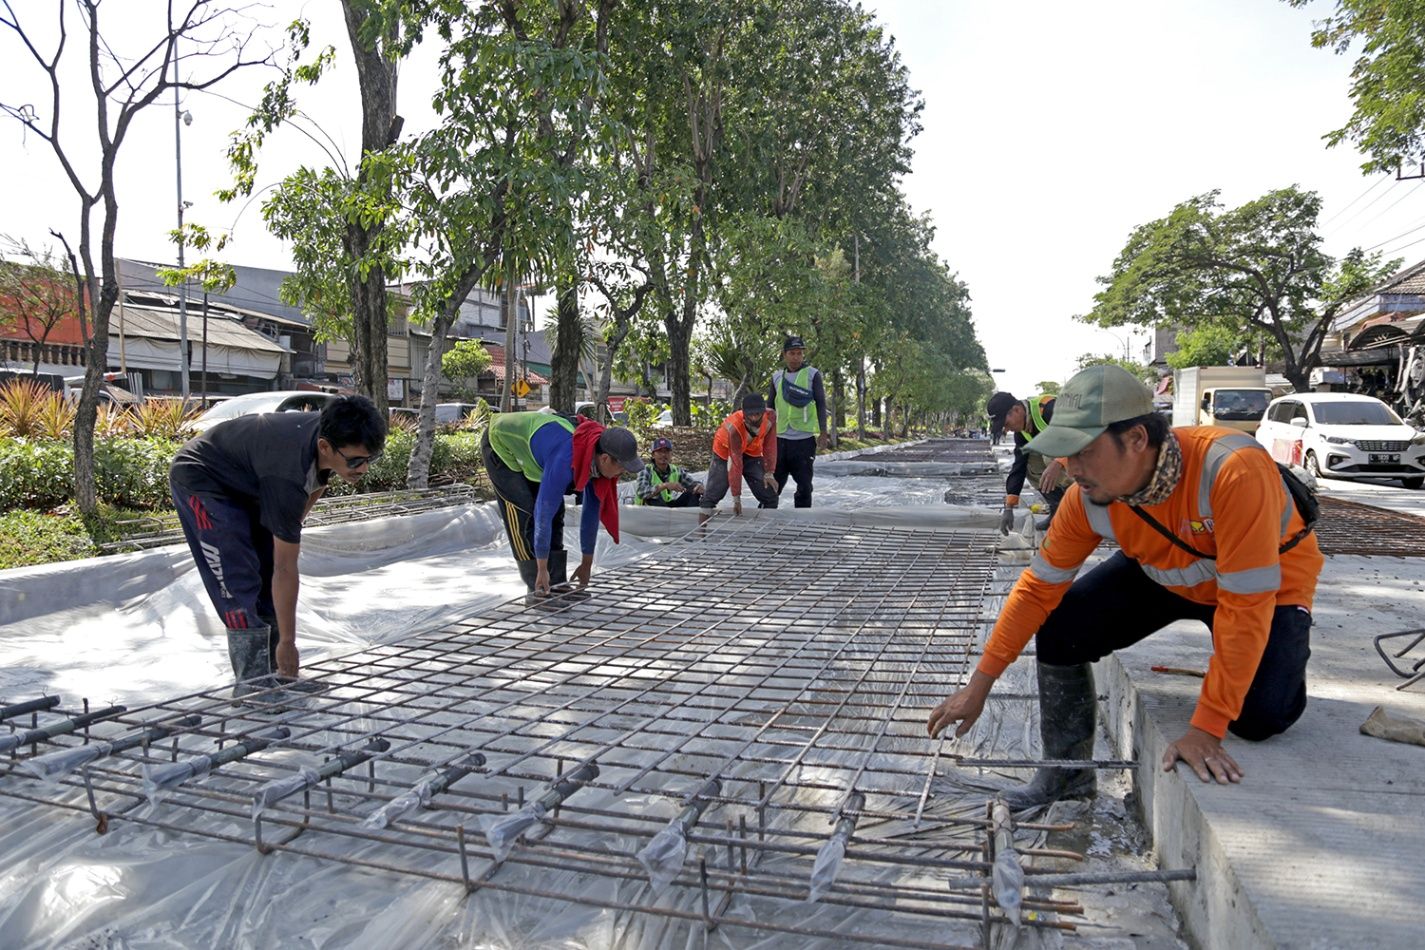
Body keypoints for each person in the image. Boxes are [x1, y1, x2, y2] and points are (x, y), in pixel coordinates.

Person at [929, 365, 1322, 808]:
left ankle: (1285, 653)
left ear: (1136, 439)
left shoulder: (1232, 471)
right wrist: (979, 686)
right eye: (1066, 455)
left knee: (1259, 718)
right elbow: (1037, 591)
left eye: (1083, 452)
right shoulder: (1087, 497)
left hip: (1265, 588)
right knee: (1062, 625)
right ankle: (1067, 778)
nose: (1072, 469)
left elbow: (1245, 605)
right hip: (1166, 575)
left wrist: (1205, 729)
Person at [169, 394, 388, 699]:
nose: (363, 469)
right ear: (325, 447)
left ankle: (278, 675)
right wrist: (288, 642)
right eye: (355, 461)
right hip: (204, 479)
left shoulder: (329, 435)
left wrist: (285, 528)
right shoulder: (287, 473)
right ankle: (253, 686)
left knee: (267, 565)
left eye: (370, 459)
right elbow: (287, 568)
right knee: (237, 577)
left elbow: (310, 493)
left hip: (249, 481)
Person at [482, 410, 643, 596]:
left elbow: (591, 514)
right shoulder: (565, 459)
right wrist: (541, 568)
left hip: (539, 450)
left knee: (557, 510)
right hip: (501, 443)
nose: (622, 473)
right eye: (622, 467)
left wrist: (586, 564)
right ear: (605, 459)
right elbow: (543, 514)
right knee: (526, 514)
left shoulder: (597, 458)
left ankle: (556, 581)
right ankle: (537, 585)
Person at [986, 390, 1075, 534]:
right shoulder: (1021, 432)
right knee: (1030, 466)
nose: (1007, 429)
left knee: (1049, 457)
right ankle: (1057, 510)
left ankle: (1082, 505)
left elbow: (1079, 434)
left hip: (1091, 457)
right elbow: (1019, 467)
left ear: (1016, 410)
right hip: (1066, 458)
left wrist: (1058, 462)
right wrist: (1009, 507)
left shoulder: (1049, 409)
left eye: (1006, 423)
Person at [768, 335, 829, 508]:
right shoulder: (776, 377)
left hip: (803, 441)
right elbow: (769, 407)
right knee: (773, 484)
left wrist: (823, 433)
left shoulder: (813, 375)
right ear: (784, 355)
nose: (796, 357)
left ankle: (802, 521)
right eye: (792, 353)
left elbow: (821, 403)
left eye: (799, 354)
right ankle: (766, 516)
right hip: (780, 441)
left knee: (804, 486)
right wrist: (764, 434)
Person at [699, 393, 780, 523]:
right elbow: (735, 465)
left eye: (757, 414)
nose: (754, 418)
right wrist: (736, 498)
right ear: (744, 414)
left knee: (769, 495)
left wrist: (769, 472)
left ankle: (765, 530)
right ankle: (701, 532)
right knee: (714, 493)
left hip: (751, 452)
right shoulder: (734, 430)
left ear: (763, 412)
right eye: (750, 415)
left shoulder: (771, 417)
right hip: (725, 453)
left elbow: (770, 445)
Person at [634, 436, 704, 507]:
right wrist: (664, 486)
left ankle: (690, 517)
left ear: (671, 454)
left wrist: (698, 486)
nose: (663, 455)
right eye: (659, 451)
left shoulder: (675, 470)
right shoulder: (646, 470)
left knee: (693, 493)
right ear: (653, 455)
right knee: (654, 498)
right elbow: (641, 492)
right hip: (646, 511)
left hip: (667, 506)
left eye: (666, 451)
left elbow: (691, 483)